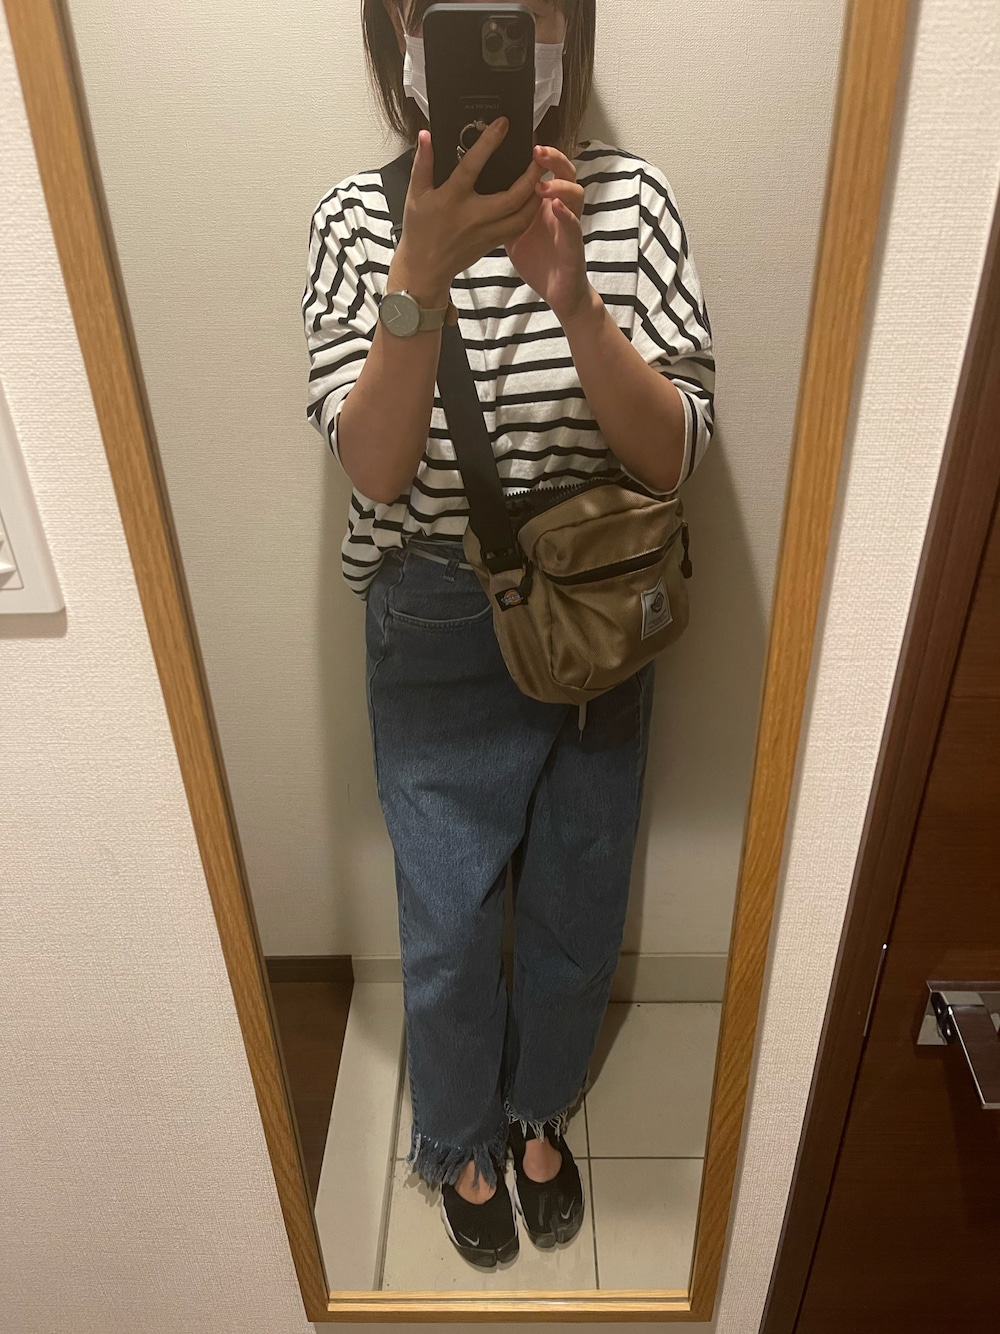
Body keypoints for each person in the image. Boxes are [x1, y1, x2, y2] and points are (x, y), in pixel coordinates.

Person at [302, 0, 715, 1270]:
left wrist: (575, 299)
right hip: (433, 614)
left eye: (526, 6)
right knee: (445, 919)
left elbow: (675, 454)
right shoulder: (353, 221)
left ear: (565, 29)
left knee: (580, 891)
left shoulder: (630, 203)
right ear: (400, 28)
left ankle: (537, 1110)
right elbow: (376, 470)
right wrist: (416, 281)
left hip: (596, 610)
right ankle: (460, 1133)